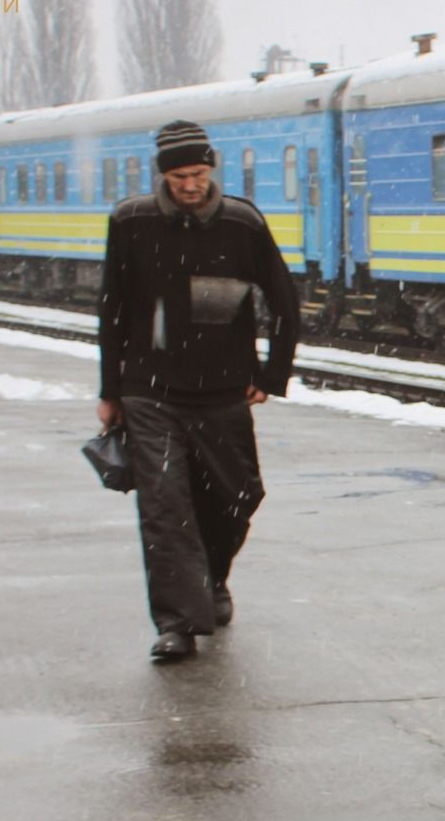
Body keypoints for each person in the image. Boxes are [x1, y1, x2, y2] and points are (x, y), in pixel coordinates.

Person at [96, 119, 299, 663]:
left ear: (211, 169)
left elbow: (283, 300)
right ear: (162, 176)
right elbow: (113, 307)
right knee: (165, 506)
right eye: (179, 176)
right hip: (149, 390)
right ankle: (177, 623)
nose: (190, 185)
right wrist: (110, 390)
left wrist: (271, 375)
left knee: (236, 497)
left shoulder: (240, 222)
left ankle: (211, 578)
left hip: (223, 389)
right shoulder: (132, 220)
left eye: (198, 174)